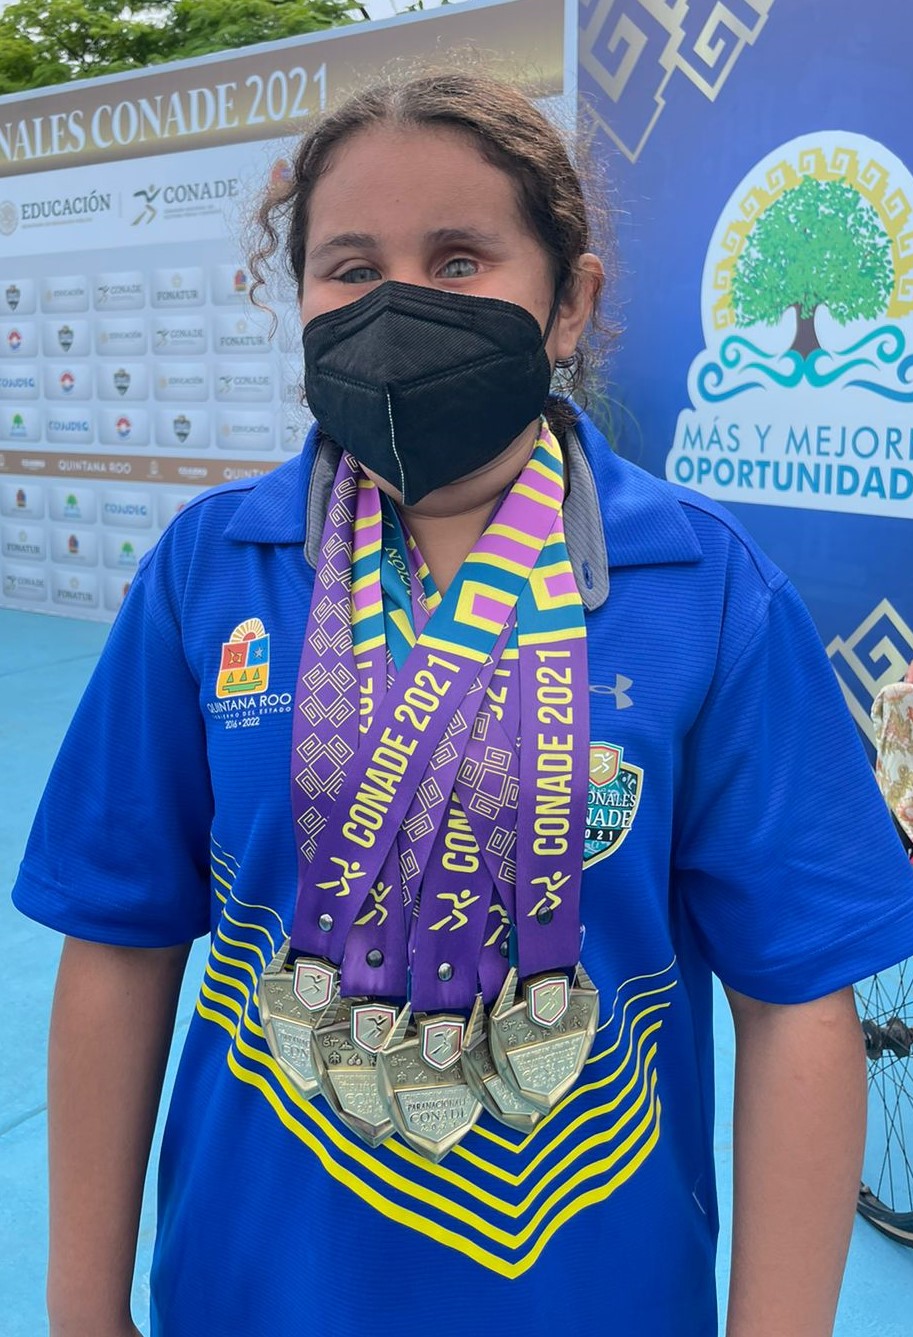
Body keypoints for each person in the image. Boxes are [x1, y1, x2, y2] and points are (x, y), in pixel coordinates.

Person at [13, 71, 913, 1337]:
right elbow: (119, 940)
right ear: (297, 298)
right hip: (254, 1291)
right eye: (348, 267)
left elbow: (794, 999)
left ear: (569, 302)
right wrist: (79, 1309)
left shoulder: (707, 591)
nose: (396, 306)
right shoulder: (209, 571)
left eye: (457, 259)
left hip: (595, 1298)